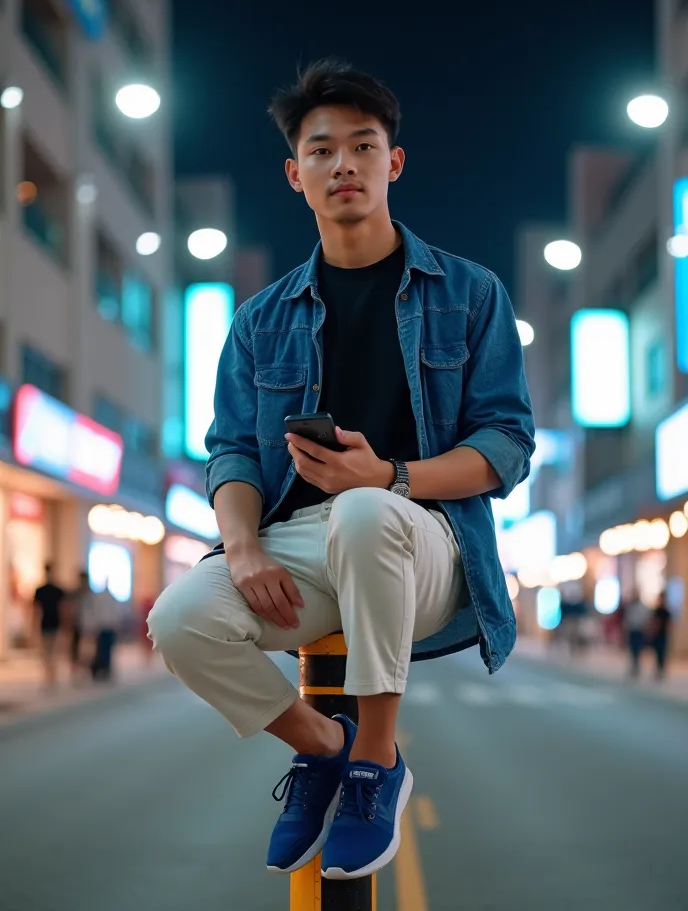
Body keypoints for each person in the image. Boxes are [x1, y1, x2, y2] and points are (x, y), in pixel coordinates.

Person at [148, 59, 535, 880]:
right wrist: (244, 548)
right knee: (180, 618)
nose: (344, 165)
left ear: (394, 162)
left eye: (364, 145)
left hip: (427, 541)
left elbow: (505, 445)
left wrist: (389, 478)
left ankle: (378, 764)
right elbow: (234, 451)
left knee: (364, 515)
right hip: (303, 541)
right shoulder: (262, 320)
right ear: (296, 175)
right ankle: (327, 748)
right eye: (321, 151)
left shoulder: (470, 294)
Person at [33, 563, 66, 688]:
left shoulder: (43, 591)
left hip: (49, 624)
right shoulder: (51, 590)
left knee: (49, 653)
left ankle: (50, 678)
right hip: (50, 624)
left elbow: (63, 609)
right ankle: (50, 678)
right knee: (49, 653)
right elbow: (36, 610)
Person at [68, 570, 91, 682]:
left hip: (87, 626)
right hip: (78, 625)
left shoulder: (90, 594)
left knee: (86, 650)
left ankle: (83, 672)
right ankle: (76, 673)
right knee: (76, 650)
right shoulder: (76, 593)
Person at [624, 589, 650, 679]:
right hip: (632, 630)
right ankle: (634, 666)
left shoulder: (643, 607)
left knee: (638, 649)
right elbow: (627, 619)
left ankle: (637, 666)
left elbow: (647, 618)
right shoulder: (631, 607)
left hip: (639, 631)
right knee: (632, 649)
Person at [646, 591, 672, 680]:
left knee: (662, 653)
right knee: (657, 653)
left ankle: (661, 670)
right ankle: (658, 670)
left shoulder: (666, 611)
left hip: (663, 635)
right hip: (657, 635)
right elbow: (653, 622)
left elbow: (669, 624)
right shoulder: (656, 611)